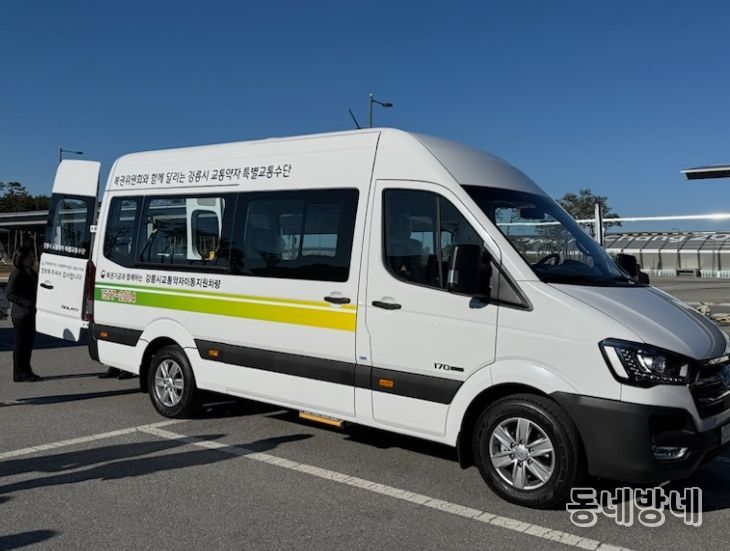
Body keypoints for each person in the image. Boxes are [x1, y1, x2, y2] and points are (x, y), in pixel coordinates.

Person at [5, 246, 41, 382]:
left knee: (28, 344)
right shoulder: (17, 273)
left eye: (32, 256)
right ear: (22, 259)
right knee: (21, 345)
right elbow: (10, 293)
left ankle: (27, 371)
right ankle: (19, 374)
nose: (32, 259)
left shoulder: (32, 272)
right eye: (29, 257)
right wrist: (27, 303)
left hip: (31, 313)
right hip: (20, 315)